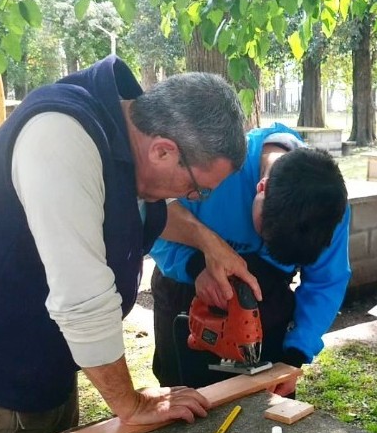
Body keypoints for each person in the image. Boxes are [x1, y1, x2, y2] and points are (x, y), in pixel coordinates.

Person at [0, 56, 248, 433]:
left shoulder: (129, 138)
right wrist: (133, 403)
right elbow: (83, 300)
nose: (193, 198)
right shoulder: (61, 137)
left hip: (44, 366)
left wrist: (208, 242)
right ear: (163, 150)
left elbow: (141, 209)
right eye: (198, 189)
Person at [150, 123, 351, 397]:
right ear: (262, 187)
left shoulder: (329, 205)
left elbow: (326, 282)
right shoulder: (213, 165)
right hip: (184, 292)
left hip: (268, 307)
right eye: (264, 233)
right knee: (183, 406)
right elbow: (154, 222)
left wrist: (294, 355)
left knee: (265, 415)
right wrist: (195, 266)